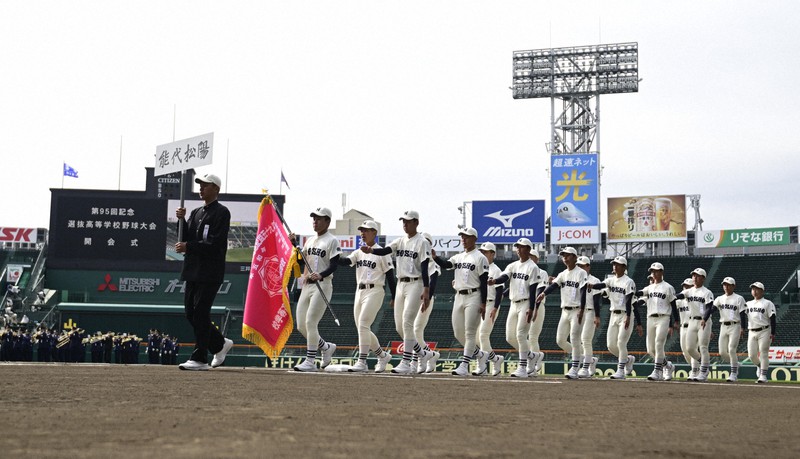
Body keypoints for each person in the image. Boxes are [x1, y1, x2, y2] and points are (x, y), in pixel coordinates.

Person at [361, 210, 433, 375]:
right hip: (401, 283)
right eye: (403, 221)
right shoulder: (400, 241)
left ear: (416, 222)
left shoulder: (422, 242)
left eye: (408, 221)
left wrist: (426, 289)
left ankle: (406, 362)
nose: (405, 224)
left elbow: (424, 267)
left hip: (415, 283)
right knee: (400, 327)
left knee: (407, 322)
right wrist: (371, 251)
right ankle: (423, 354)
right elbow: (385, 250)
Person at [175, 173, 234, 371]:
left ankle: (200, 357)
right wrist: (181, 221)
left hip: (210, 271)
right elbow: (186, 237)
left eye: (205, 185)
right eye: (200, 185)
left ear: (216, 188)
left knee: (200, 312)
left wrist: (189, 247)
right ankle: (219, 344)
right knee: (191, 313)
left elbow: (215, 243)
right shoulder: (195, 212)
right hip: (192, 270)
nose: (201, 188)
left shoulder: (222, 212)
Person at [338, 220, 396, 373]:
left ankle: (362, 361)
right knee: (362, 328)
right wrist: (333, 255)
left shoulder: (381, 252)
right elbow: (345, 261)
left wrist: (394, 296)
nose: (362, 233)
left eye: (366, 230)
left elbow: (390, 275)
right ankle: (382, 355)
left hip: (375, 290)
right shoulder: (359, 252)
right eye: (361, 230)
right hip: (360, 291)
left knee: (363, 324)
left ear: (374, 233)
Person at [432, 227, 489, 376]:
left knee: (470, 333)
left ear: (474, 239)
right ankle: (481, 355)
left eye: (467, 236)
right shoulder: (458, 257)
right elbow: (446, 265)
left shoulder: (480, 257)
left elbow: (484, 282)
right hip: (459, 296)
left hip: (474, 295)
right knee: (458, 333)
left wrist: (483, 303)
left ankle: (464, 365)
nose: (463, 239)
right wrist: (435, 257)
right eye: (462, 237)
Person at [292, 207, 342, 372]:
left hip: (323, 284)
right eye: (314, 218)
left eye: (319, 219)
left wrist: (321, 274)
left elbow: (334, 265)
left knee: (310, 322)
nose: (315, 221)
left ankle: (310, 360)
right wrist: (294, 245)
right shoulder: (310, 240)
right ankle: (326, 347)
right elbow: (302, 261)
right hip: (307, 284)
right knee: (301, 325)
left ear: (327, 221)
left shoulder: (332, 240)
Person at [488, 237, 543, 378]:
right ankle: (532, 356)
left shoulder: (533, 267)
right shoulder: (513, 265)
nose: (518, 249)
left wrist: (531, 308)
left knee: (521, 335)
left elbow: (533, 290)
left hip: (525, 303)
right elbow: (504, 278)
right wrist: (495, 281)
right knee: (509, 337)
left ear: (528, 249)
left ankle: (523, 367)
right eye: (517, 247)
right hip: (513, 303)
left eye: (521, 246)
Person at [534, 247, 587, 379]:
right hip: (565, 311)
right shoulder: (563, 274)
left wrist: (582, 309)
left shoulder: (581, 273)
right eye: (563, 255)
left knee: (574, 338)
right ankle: (583, 357)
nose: (565, 257)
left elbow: (583, 291)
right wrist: (544, 293)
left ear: (575, 257)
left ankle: (575, 367)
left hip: (576, 310)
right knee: (560, 340)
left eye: (568, 255)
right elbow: (554, 285)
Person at [587, 256, 641, 379]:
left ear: (624, 267)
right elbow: (601, 285)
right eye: (614, 264)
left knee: (621, 342)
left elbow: (629, 300)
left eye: (618, 264)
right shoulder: (611, 280)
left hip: (625, 314)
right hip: (613, 314)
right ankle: (627, 359)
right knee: (611, 345)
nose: (615, 266)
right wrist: (592, 286)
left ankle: (620, 370)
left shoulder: (628, 281)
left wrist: (628, 316)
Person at [635, 262, 679, 381]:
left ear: (661, 272)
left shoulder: (668, 287)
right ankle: (667, 366)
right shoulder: (649, 288)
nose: (653, 273)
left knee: (659, 343)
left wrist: (676, 321)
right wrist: (631, 292)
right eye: (652, 271)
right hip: (650, 318)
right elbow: (641, 293)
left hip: (663, 317)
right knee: (650, 349)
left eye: (656, 271)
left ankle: (657, 371)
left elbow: (673, 305)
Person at [701, 277, 746, 382]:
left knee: (731, 349)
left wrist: (743, 328)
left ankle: (733, 373)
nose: (726, 287)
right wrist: (704, 318)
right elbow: (712, 309)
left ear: (733, 286)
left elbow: (742, 314)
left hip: (735, 325)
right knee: (722, 352)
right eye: (724, 285)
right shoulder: (719, 299)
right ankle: (735, 364)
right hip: (723, 326)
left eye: (728, 285)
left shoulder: (739, 298)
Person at [675, 268, 714, 381]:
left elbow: (709, 307)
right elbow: (679, 296)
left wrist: (705, 319)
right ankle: (704, 364)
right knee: (690, 348)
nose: (695, 278)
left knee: (703, 346)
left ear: (703, 278)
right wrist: (670, 296)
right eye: (693, 276)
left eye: (697, 276)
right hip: (692, 321)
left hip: (703, 321)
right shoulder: (689, 291)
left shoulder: (707, 292)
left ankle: (703, 372)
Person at [411, 233, 441, 374]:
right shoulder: (414, 259)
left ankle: (415, 360)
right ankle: (430, 354)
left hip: (425, 297)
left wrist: (428, 298)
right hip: (412, 295)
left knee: (416, 329)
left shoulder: (431, 262)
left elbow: (433, 279)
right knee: (410, 329)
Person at [477, 242, 505, 376]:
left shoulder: (496, 270)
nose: (483, 254)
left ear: (492, 254)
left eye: (486, 252)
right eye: (481, 252)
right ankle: (496, 359)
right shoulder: (479, 267)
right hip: (480, 303)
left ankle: (482, 366)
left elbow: (500, 290)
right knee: (476, 337)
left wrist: (495, 308)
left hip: (491, 303)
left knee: (483, 334)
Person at [744, 282, 776, 384]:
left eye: (757, 289)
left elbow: (773, 318)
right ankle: (759, 366)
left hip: (765, 330)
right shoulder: (748, 304)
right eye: (753, 289)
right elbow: (742, 316)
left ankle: (763, 376)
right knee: (751, 355)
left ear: (762, 291)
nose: (755, 291)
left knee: (763, 352)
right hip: (751, 331)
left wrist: (773, 332)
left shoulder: (768, 303)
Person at [576, 256, 601, 379]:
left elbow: (596, 300)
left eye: (582, 266)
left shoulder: (595, 280)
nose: (580, 268)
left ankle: (585, 367)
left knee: (586, 339)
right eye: (578, 266)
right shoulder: (576, 279)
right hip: (578, 312)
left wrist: (597, 316)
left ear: (588, 266)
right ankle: (590, 360)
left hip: (590, 311)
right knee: (576, 340)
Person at [525, 250, 548, 375]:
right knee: (521, 336)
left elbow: (540, 290)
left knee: (533, 336)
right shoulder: (524, 271)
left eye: (532, 256)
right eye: (528, 256)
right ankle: (535, 356)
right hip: (526, 305)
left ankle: (533, 364)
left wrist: (536, 308)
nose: (529, 258)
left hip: (537, 306)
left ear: (537, 259)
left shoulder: (542, 272)